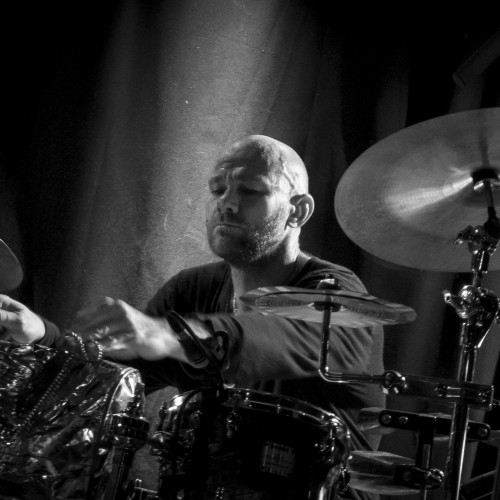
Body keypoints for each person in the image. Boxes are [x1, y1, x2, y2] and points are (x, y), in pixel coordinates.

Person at [0, 135, 384, 499]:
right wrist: (43, 336)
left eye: (250, 191)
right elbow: (115, 373)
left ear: (297, 210)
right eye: (218, 189)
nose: (226, 203)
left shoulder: (336, 294)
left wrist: (169, 335)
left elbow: (286, 336)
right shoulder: (192, 289)